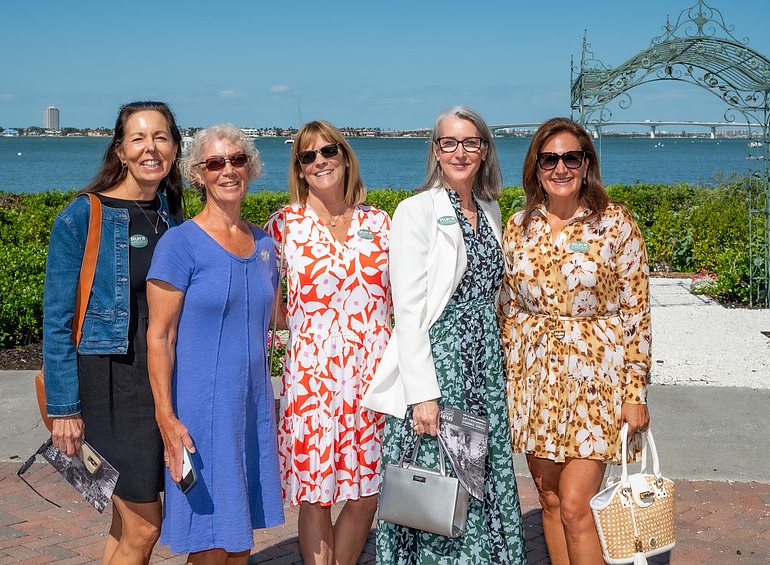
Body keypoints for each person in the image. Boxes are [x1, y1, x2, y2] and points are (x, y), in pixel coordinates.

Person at [363, 106, 527, 564]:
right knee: (439, 481)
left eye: (470, 142)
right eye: (449, 143)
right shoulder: (416, 211)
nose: (460, 152)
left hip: (484, 366)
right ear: (435, 151)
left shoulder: (491, 208)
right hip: (443, 364)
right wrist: (423, 395)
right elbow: (410, 313)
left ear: (484, 150)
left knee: (483, 481)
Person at [500, 117, 651, 565]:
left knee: (576, 505)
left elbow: (636, 312)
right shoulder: (518, 226)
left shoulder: (615, 223)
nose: (560, 167)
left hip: (596, 380)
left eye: (571, 157)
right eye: (550, 158)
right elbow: (508, 308)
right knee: (548, 499)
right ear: (536, 168)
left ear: (587, 164)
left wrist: (635, 392)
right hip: (535, 381)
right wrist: (509, 376)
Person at [43, 101, 184, 564]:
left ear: (176, 148)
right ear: (120, 150)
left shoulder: (168, 214)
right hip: (108, 382)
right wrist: (65, 409)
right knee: (145, 525)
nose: (151, 147)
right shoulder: (83, 215)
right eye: (138, 138)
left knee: (125, 523)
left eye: (161, 137)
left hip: (157, 382)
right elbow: (58, 319)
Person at [145, 124, 284, 563]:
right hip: (201, 412)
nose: (228, 170)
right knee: (209, 545)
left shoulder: (266, 244)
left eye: (237, 160)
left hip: (251, 408)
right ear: (198, 174)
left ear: (251, 168)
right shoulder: (179, 244)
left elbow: (275, 321)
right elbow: (160, 336)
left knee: (240, 543)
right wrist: (166, 417)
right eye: (215, 163)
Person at [264, 120, 391, 565]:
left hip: (374, 378)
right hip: (313, 379)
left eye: (328, 151)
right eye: (308, 156)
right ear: (299, 169)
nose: (320, 161)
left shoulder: (379, 222)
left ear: (345, 157)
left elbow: (402, 298)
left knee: (366, 494)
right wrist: (304, 323)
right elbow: (263, 301)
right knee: (315, 495)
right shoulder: (283, 227)